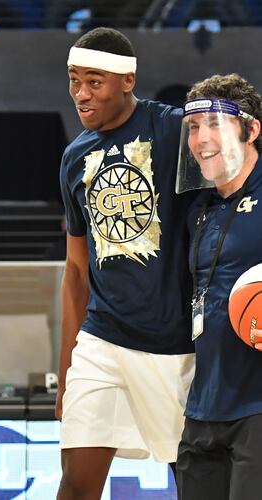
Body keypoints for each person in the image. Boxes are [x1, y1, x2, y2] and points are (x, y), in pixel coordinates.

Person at [56, 27, 195, 499]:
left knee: (197, 483)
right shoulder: (74, 157)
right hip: (103, 341)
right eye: (75, 81)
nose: (81, 94)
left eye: (95, 82)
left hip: (175, 346)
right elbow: (76, 270)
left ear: (128, 80)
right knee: (75, 485)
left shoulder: (173, 129)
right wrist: (65, 370)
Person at [174, 74, 262, 500]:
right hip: (203, 408)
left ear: (251, 130)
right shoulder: (198, 210)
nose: (201, 138)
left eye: (214, 123)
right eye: (194, 127)